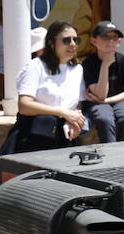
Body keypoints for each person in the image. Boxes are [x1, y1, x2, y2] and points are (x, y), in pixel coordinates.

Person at [14, 22, 85, 153]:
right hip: (34, 138)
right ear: (51, 43)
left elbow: (77, 103)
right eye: (66, 40)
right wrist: (63, 113)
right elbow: (24, 106)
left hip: (65, 136)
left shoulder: (78, 69)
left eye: (76, 40)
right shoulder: (35, 67)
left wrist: (74, 120)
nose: (73, 44)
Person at [79, 21, 124, 142]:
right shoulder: (88, 63)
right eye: (105, 37)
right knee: (104, 119)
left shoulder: (123, 61)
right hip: (97, 103)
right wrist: (105, 65)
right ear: (94, 41)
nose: (110, 41)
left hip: (120, 101)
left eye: (114, 37)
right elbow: (101, 94)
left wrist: (107, 100)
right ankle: (111, 154)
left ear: (119, 41)